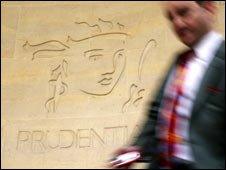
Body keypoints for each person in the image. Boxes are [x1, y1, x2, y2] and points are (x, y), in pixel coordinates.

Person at [109, 1, 225, 169]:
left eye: (184, 12)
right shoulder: (179, 61)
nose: (177, 23)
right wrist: (134, 152)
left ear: (208, 8)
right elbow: (156, 115)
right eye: (171, 18)